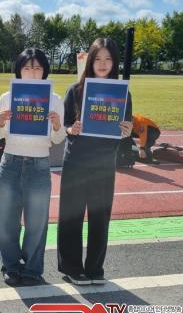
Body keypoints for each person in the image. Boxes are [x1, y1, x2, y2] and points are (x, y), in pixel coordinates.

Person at [57, 37, 133, 286]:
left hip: (104, 164)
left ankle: (95, 268)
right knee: (71, 217)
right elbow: (64, 126)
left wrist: (126, 131)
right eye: (98, 58)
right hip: (76, 162)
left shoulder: (123, 94)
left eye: (108, 59)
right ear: (90, 61)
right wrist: (71, 129)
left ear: (114, 62)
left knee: (100, 218)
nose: (102, 63)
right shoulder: (75, 91)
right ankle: (72, 268)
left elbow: (125, 129)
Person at [0, 48, 65, 286]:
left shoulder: (55, 99)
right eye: (27, 67)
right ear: (19, 71)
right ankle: (11, 266)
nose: (32, 73)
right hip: (10, 163)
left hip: (39, 165)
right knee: (6, 222)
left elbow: (58, 139)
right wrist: (2, 122)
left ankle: (33, 269)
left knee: (37, 223)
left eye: (37, 68)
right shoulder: (7, 97)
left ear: (44, 71)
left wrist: (57, 125)